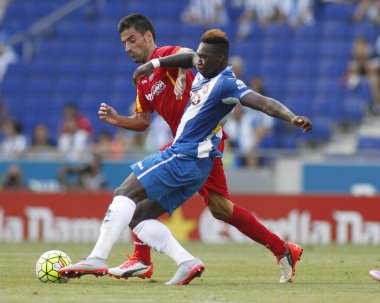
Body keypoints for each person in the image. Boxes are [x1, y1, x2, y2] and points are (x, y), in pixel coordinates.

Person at [59, 23, 311, 286]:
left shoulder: (183, 62)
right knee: (220, 209)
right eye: (124, 42)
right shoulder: (155, 77)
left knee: (128, 195)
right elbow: (144, 119)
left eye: (132, 40)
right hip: (188, 146)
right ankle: (281, 249)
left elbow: (194, 58)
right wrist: (118, 120)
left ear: (147, 37)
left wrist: (292, 117)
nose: (128, 48)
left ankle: (122, 258)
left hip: (194, 148)